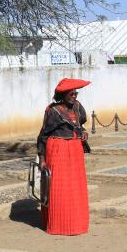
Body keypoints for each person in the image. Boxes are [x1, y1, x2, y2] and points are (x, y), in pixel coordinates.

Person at [36, 78, 91, 235]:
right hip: (58, 150)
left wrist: (84, 132)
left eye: (76, 93)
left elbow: (80, 124)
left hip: (75, 151)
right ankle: (59, 225)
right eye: (71, 93)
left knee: (75, 188)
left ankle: (76, 224)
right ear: (63, 94)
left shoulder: (78, 107)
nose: (74, 96)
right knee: (59, 189)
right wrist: (42, 159)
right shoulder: (53, 111)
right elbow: (43, 136)